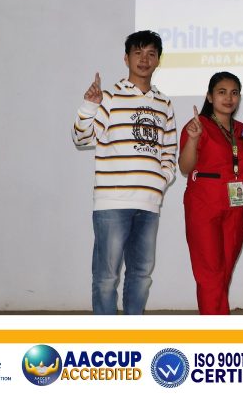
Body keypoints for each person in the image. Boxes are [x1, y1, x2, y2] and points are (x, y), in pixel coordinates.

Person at [71, 30, 177, 315]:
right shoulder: (109, 97)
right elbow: (81, 138)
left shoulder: (164, 103)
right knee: (106, 278)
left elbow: (169, 151)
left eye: (151, 54)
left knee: (141, 276)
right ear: (126, 58)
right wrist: (89, 106)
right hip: (112, 204)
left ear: (158, 60)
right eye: (138, 53)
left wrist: (161, 180)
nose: (144, 59)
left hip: (149, 204)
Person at [179, 72, 243, 314]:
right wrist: (193, 139)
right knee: (210, 274)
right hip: (204, 205)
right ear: (210, 97)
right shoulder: (197, 126)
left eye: (234, 93)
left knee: (224, 272)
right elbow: (185, 167)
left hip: (237, 207)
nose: (228, 98)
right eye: (222, 92)